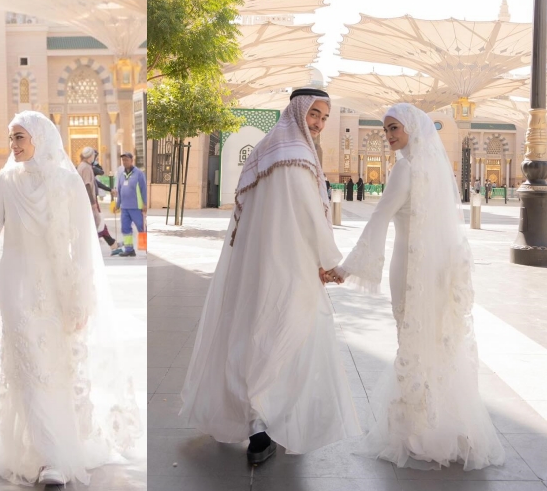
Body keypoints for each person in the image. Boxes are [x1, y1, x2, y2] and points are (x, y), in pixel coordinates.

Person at [0, 112, 141, 486]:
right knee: (27, 368)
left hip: (56, 287)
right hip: (15, 286)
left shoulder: (68, 183)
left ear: (40, 137)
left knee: (54, 368)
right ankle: (48, 458)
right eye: (12, 138)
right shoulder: (6, 183)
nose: (14, 145)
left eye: (20, 137)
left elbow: (84, 249)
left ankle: (53, 445)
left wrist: (80, 298)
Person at [180, 88, 359, 466]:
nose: (320, 124)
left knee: (256, 332)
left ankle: (260, 419)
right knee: (281, 334)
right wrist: (329, 260)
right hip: (287, 263)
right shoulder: (294, 155)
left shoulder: (267, 148)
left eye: (325, 118)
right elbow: (310, 213)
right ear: (298, 112)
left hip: (256, 263)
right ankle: (263, 422)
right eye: (315, 115)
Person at [329, 104, 504, 471]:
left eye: (395, 129)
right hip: (438, 270)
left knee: (413, 339)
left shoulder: (405, 168)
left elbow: (379, 217)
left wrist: (347, 268)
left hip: (410, 269)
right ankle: (444, 425)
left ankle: (418, 431)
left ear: (410, 128)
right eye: (387, 129)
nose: (390, 135)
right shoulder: (435, 168)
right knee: (438, 343)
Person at [77, 147, 118, 249]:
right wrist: (92, 202)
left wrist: (109, 189)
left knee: (96, 222)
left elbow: (95, 182)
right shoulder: (86, 167)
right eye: (94, 156)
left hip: (87, 200)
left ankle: (111, 243)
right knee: (97, 222)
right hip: (89, 200)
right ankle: (108, 243)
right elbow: (87, 185)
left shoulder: (84, 166)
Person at [112, 152, 147, 257]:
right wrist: (117, 205)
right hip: (125, 207)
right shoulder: (122, 174)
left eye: (126, 160)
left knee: (142, 228)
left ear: (132, 160)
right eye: (123, 160)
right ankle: (129, 249)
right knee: (125, 228)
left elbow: (143, 189)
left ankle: (146, 248)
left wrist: (145, 204)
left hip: (136, 207)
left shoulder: (139, 174)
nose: (124, 162)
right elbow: (120, 190)